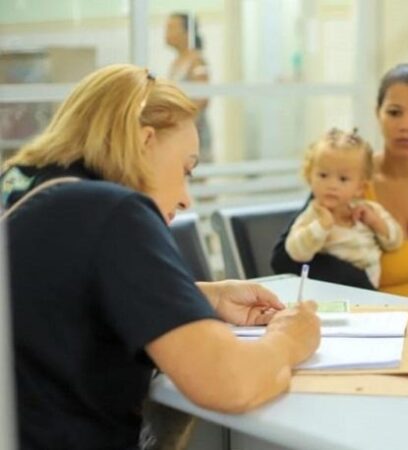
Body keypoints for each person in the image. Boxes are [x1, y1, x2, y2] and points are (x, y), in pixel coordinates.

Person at [1, 64, 321, 449]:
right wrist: (289, 339)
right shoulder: (113, 210)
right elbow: (230, 384)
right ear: (144, 142)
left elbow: (56, 301)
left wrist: (200, 298)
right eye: (186, 169)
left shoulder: (24, 188)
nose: (186, 197)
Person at [272, 63, 408, 310]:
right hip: (373, 321)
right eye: (395, 112)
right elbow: (284, 260)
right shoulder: (347, 179)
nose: (407, 125)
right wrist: (363, 290)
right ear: (378, 113)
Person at [285, 128, 404, 288]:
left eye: (343, 179)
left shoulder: (368, 210)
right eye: (323, 175)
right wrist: (322, 226)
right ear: (309, 176)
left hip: (369, 294)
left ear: (360, 187)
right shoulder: (314, 215)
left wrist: (375, 222)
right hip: (330, 295)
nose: (332, 185)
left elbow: (395, 241)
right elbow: (296, 252)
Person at [165, 12, 212, 162]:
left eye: (171, 28)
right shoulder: (176, 62)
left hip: (193, 131)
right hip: (178, 131)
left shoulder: (197, 61)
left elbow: (202, 98)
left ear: (187, 33)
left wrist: (184, 125)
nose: (166, 33)